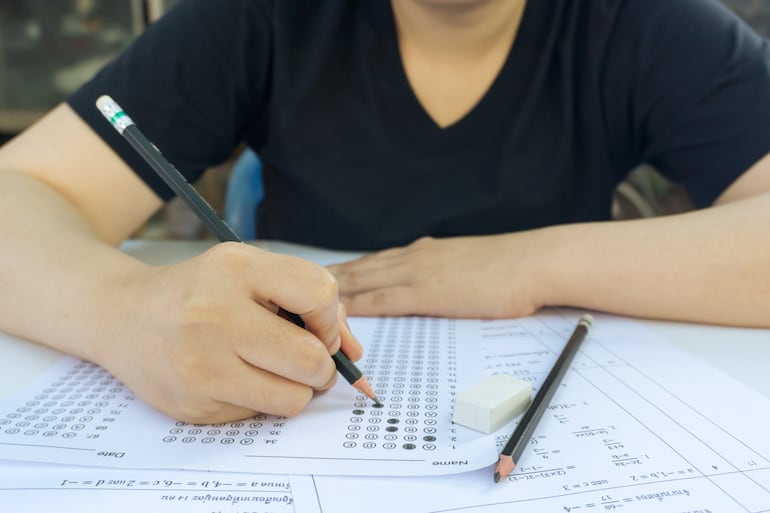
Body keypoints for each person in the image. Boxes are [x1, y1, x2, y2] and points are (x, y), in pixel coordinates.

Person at [0, 0, 769, 424]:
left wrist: (529, 263)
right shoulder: (256, 18)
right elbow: (20, 192)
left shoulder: (649, 26)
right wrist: (126, 309)